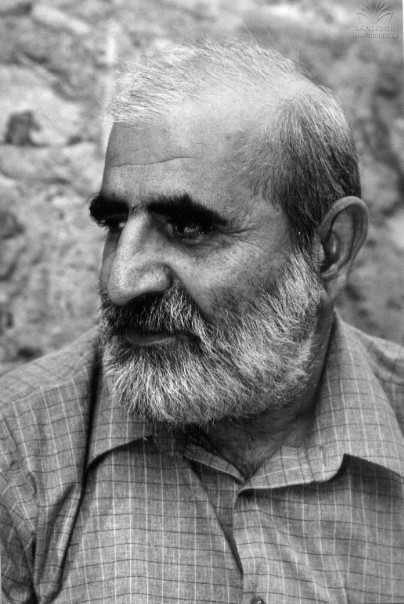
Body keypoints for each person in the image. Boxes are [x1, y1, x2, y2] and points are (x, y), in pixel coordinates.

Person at [0, 39, 403, 604]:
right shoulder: (17, 447)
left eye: (188, 228)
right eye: (115, 224)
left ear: (329, 250)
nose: (121, 281)